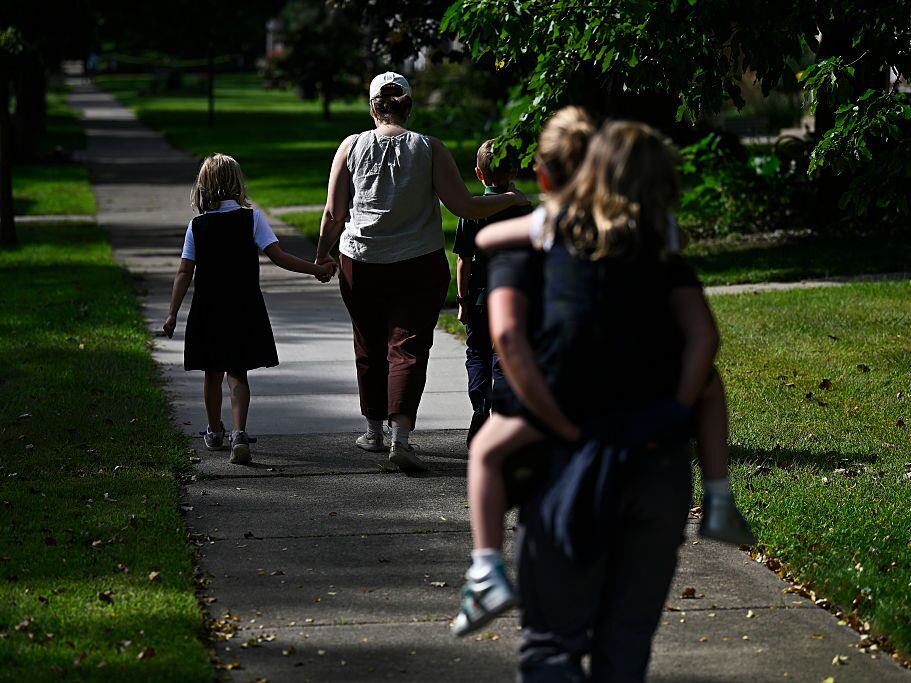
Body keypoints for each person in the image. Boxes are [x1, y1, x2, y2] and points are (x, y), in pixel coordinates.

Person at [313, 71, 527, 472]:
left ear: (373, 106)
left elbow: (333, 213)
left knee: (368, 344)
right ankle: (402, 439)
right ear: (409, 106)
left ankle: (373, 432)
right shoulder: (429, 148)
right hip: (418, 263)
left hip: (360, 261)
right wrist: (511, 199)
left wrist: (322, 255)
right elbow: (464, 205)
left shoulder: (351, 146)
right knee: (408, 347)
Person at [163, 153, 334, 464]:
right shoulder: (251, 219)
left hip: (208, 309)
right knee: (237, 373)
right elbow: (279, 256)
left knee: (211, 372)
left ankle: (214, 431)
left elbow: (184, 272)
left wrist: (173, 313)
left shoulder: (197, 226)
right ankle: (239, 434)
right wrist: (315, 269)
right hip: (243, 307)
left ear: (203, 188)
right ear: (237, 185)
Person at [453, 139, 533, 446]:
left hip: (478, 299)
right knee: (505, 356)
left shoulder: (472, 210)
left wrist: (461, 301)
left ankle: (480, 404)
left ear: (478, 173)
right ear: (514, 170)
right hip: (513, 299)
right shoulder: (524, 209)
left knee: (477, 353)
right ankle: (500, 409)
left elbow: (464, 261)